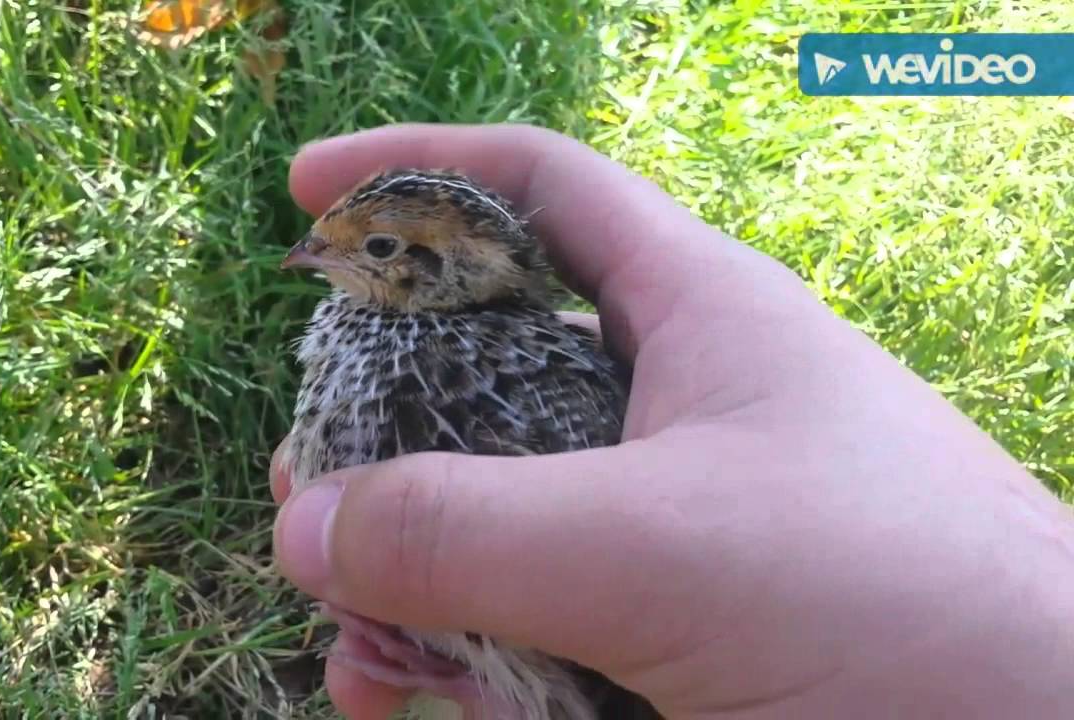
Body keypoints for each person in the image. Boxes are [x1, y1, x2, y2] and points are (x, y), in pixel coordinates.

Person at [268, 123, 1074, 719]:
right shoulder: (405, 348)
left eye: (373, 248)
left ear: (445, 274)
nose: (312, 254)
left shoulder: (508, 395)